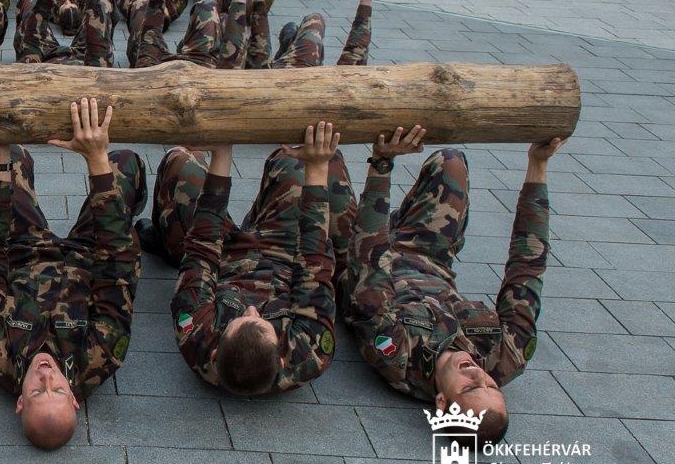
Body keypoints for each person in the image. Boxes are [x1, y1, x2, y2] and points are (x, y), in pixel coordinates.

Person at [344, 128, 565, 446]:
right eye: (491, 386)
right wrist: (538, 166)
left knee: (316, 163)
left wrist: (382, 164)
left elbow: (370, 260)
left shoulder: (398, 356)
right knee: (451, 163)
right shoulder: (506, 356)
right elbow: (528, 266)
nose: (479, 375)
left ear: (442, 404)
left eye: (470, 388)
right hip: (425, 255)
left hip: (356, 255)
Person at [0, 98, 146, 450]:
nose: (47, 375)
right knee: (124, 163)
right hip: (89, 257)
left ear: (20, 402)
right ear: (75, 399)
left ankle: (1, 165)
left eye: (36, 390)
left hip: (23, 253)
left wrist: (0, 166)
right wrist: (96, 163)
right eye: (59, 389)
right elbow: (118, 269)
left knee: (12, 155)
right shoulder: (98, 360)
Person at [146, 123, 343, 395]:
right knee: (299, 161)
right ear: (282, 359)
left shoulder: (197, 335)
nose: (251, 310)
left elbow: (202, 248)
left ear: (215, 352)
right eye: (262, 320)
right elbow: (314, 260)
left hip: (224, 255)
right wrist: (317, 167)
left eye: (238, 319)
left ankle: (163, 240)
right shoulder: (309, 349)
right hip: (285, 253)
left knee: (181, 164)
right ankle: (265, 213)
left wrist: (222, 152)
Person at [125, 0, 249, 69]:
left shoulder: (148, 77)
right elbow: (232, 61)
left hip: (162, 69)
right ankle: (187, 47)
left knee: (142, 9)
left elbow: (149, 36)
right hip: (199, 69)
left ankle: (186, 47)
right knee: (207, 6)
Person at [15, 0, 115, 67]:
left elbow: (33, 42)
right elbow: (97, 52)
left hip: (47, 58)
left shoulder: (33, 70)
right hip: (84, 58)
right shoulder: (94, 74)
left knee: (31, 0)